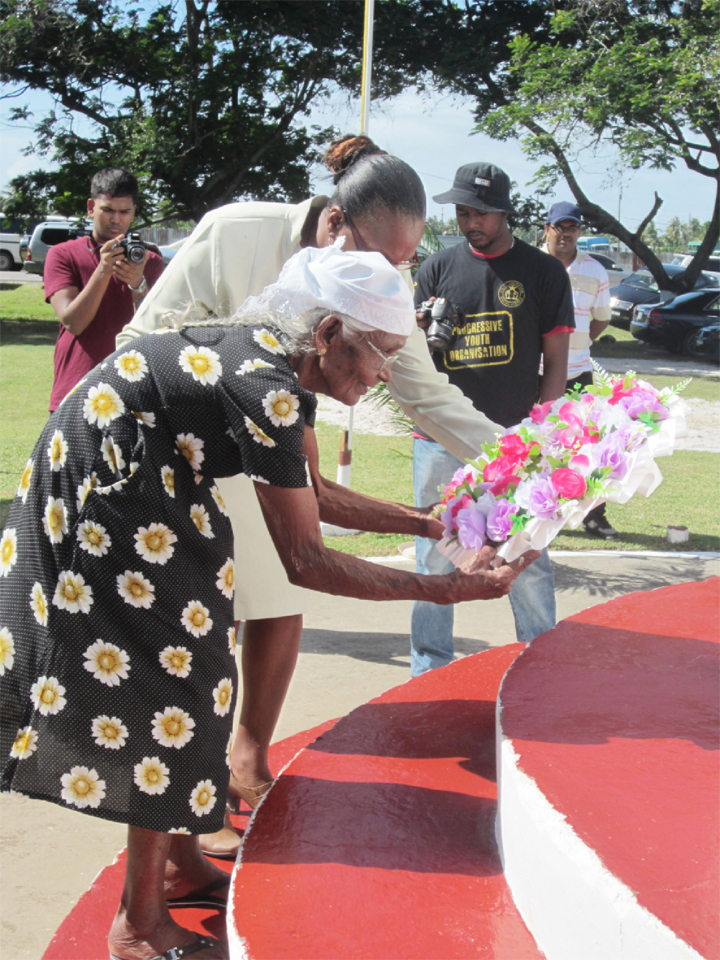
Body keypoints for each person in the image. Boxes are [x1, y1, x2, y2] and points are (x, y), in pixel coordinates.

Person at [0, 243, 538, 960]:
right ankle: (136, 924)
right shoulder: (269, 388)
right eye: (380, 354)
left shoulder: (281, 370)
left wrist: (429, 523)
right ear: (327, 335)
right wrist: (451, 588)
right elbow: (306, 558)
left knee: (204, 670)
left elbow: (316, 496)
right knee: (175, 684)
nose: (383, 376)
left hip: (147, 480)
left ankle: (180, 861)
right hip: (107, 489)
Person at [118, 136, 507, 857]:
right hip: (168, 455)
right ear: (333, 226)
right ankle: (168, 855)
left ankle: (240, 765)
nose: (388, 275)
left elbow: (425, 400)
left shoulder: (371, 297)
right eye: (378, 257)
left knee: (269, 612)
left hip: (267, 439)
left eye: (400, 264)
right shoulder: (239, 238)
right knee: (190, 650)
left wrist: (525, 470)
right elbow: (143, 338)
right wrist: (449, 587)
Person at [410, 162, 576, 676]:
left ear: (506, 211)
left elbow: (557, 363)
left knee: (526, 553)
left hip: (513, 441)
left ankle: (537, 662)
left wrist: (538, 434)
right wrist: (417, 327)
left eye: (480, 212)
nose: (470, 222)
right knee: (436, 555)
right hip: (439, 440)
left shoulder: (543, 272)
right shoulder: (435, 269)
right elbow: (411, 363)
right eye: (462, 212)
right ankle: (429, 668)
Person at [45, 167, 164, 411]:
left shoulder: (150, 261)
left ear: (134, 213)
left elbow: (159, 329)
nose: (115, 219)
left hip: (134, 388)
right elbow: (73, 322)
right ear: (91, 207)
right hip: (77, 387)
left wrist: (138, 284)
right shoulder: (62, 255)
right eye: (107, 210)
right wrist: (103, 270)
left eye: (124, 211)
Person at [542, 201, 618, 540]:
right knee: (536, 442)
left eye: (572, 227)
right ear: (547, 229)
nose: (566, 233)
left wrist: (579, 343)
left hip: (579, 372)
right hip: (536, 372)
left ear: (580, 232)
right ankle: (538, 511)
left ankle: (593, 516)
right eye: (560, 227)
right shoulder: (532, 264)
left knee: (586, 447)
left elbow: (600, 319)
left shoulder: (595, 270)